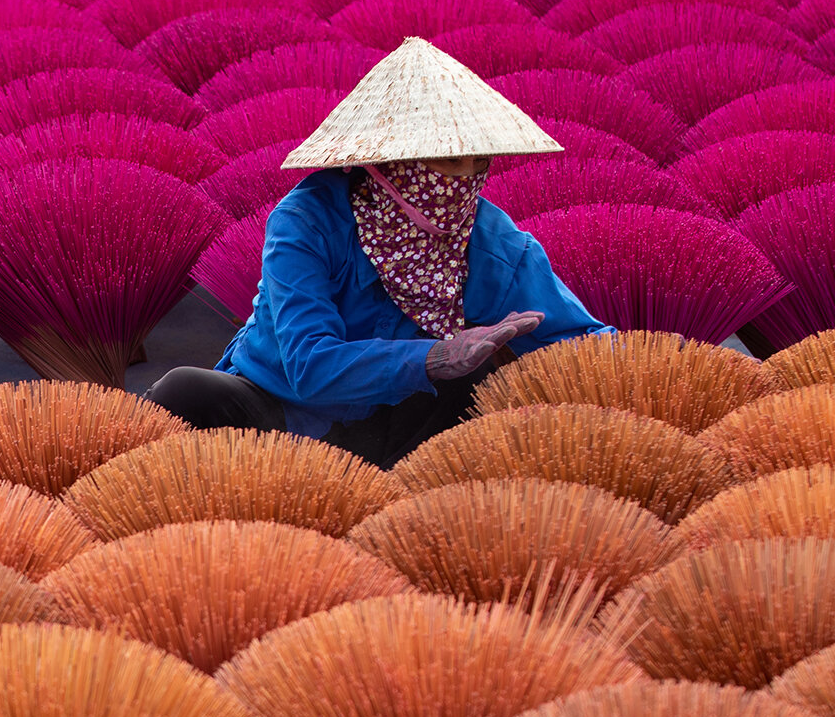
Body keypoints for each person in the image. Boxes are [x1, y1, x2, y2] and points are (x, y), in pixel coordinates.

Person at [147, 37, 612, 468]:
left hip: (394, 430)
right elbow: (309, 364)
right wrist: (432, 357)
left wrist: (638, 368)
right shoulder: (308, 221)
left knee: (479, 376)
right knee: (185, 391)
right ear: (392, 162)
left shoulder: (493, 243)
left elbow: (577, 340)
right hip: (275, 409)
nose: (466, 177)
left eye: (479, 161)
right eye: (451, 159)